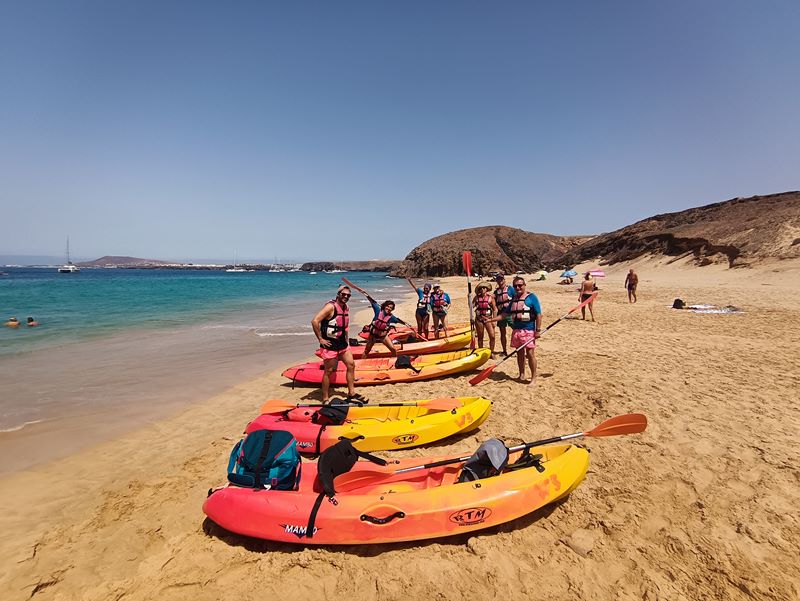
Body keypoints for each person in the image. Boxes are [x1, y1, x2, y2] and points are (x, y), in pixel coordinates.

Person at [311, 286, 364, 404]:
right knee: (329, 371)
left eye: (348, 295)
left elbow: (344, 326)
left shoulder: (346, 307)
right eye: (343, 294)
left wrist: (347, 340)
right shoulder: (330, 307)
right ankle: (325, 398)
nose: (346, 297)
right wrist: (320, 339)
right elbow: (315, 321)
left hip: (342, 344)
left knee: (351, 366)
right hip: (330, 344)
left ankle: (351, 393)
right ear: (338, 294)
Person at [490, 276, 542, 385]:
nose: (518, 287)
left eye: (520, 285)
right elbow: (504, 314)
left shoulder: (532, 297)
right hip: (517, 331)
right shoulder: (513, 300)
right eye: (515, 286)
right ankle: (521, 374)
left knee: (530, 353)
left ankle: (533, 378)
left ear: (524, 285)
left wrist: (538, 330)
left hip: (528, 330)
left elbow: (538, 314)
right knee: (519, 353)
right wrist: (492, 319)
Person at [492, 273, 514, 356]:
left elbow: (517, 298)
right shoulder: (496, 292)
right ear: (496, 281)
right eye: (498, 279)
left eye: (501, 279)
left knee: (516, 330)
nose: (500, 281)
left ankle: (521, 348)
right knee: (502, 333)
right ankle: (504, 350)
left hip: (510, 313)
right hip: (501, 314)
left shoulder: (510, 289)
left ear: (504, 280)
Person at [472, 283, 497, 354]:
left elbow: (495, 309)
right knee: (480, 337)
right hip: (479, 319)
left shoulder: (490, 298)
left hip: (488, 319)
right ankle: (481, 351)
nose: (482, 289)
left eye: (484, 288)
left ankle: (491, 352)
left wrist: (494, 320)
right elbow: (471, 307)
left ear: (486, 289)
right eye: (481, 288)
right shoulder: (476, 298)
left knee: (492, 336)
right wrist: (469, 298)